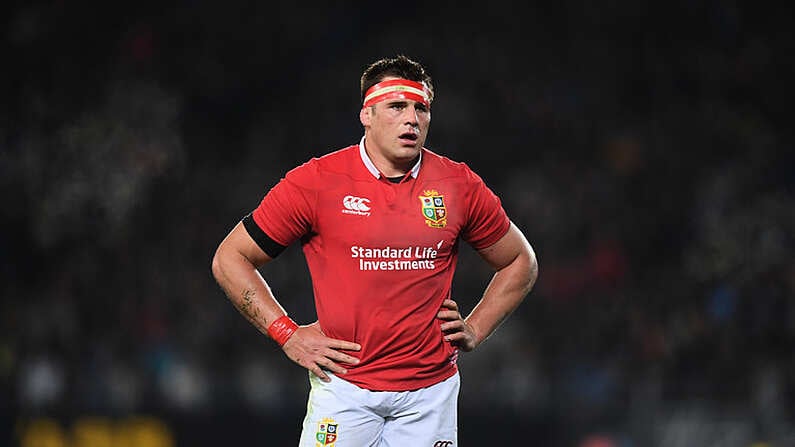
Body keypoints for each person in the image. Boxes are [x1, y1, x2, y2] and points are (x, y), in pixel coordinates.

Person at [211, 54, 538, 446]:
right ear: (366, 114)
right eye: (397, 106)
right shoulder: (316, 182)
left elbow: (520, 261)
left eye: (422, 108)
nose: (412, 119)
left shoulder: (457, 184)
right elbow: (230, 258)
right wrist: (287, 334)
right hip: (345, 388)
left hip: (429, 395)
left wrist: (476, 327)